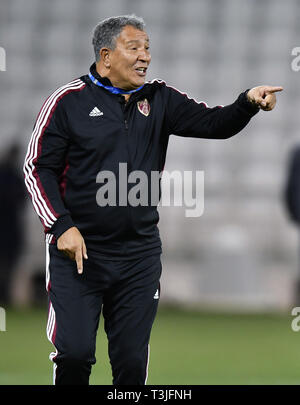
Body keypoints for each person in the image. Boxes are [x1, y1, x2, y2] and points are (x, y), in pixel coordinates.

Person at [23, 15, 282, 385]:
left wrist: (247, 103)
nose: (145, 56)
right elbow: (37, 168)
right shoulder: (67, 102)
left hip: (138, 256)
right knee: (75, 356)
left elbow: (215, 124)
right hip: (78, 255)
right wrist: (61, 226)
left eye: (147, 48)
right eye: (135, 48)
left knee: (130, 365)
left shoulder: (159, 98)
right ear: (106, 56)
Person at [0, 143, 27, 306]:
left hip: (9, 228)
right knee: (8, 266)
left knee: (8, 267)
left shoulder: (12, 176)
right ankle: (5, 298)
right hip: (9, 229)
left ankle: (5, 297)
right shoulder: (14, 178)